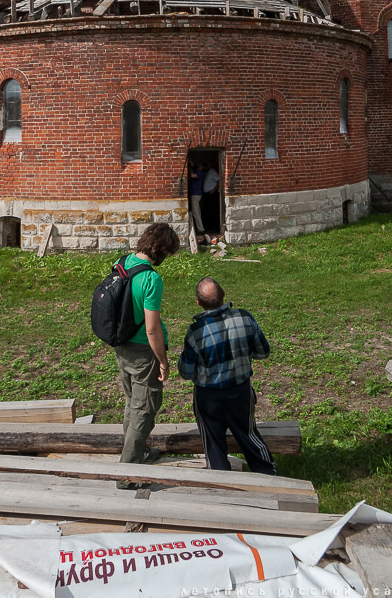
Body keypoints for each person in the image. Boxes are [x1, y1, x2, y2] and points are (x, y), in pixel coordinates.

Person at [177, 277, 275, 474]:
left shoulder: (196, 331)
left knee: (213, 444)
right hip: (240, 390)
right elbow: (263, 352)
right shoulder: (244, 317)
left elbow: (186, 372)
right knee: (248, 435)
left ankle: (220, 480)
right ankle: (268, 474)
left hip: (208, 398)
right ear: (223, 294)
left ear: (198, 302)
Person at [114, 221, 181, 488]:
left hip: (122, 345)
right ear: (162, 251)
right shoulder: (151, 279)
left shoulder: (123, 262)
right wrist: (163, 362)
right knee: (144, 410)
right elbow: (152, 329)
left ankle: (138, 451)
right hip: (143, 351)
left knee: (132, 402)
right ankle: (127, 475)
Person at [189, 160, 208, 243]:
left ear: (202, 167)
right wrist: (188, 159)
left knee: (195, 212)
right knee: (197, 211)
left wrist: (190, 169)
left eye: (200, 164)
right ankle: (200, 228)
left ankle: (200, 229)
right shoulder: (198, 170)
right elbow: (193, 164)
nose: (198, 165)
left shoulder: (200, 173)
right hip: (195, 193)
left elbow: (192, 175)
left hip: (196, 194)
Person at [202, 159, 220, 240]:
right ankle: (209, 226)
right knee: (207, 211)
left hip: (211, 194)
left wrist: (214, 189)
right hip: (206, 194)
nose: (207, 166)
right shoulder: (207, 172)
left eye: (208, 164)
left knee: (212, 210)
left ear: (211, 165)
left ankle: (214, 227)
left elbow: (219, 181)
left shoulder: (213, 172)